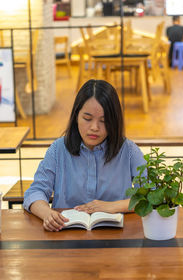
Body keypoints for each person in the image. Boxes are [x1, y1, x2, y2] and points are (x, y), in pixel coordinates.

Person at [23, 79, 146, 232]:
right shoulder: (58, 149)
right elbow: (35, 192)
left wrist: (110, 206)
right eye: (87, 119)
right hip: (65, 235)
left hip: (115, 237)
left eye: (104, 121)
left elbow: (150, 195)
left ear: (114, 122)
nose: (94, 127)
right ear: (76, 116)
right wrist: (47, 214)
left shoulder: (128, 150)